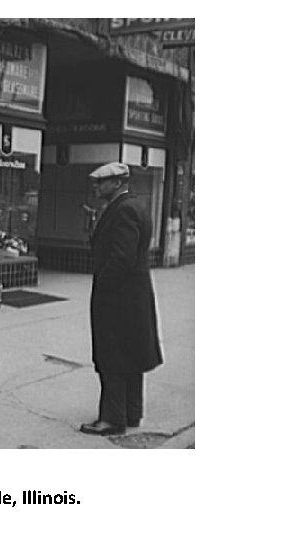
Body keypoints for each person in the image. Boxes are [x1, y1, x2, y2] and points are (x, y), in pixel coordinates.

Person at [80, 162, 164, 436]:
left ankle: (112, 419)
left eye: (100, 183)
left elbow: (122, 258)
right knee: (130, 357)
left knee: (113, 357)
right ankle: (131, 412)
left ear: (116, 183)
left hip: (119, 298)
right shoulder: (133, 206)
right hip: (132, 297)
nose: (95, 187)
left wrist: (103, 285)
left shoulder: (124, 210)